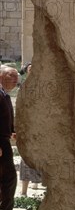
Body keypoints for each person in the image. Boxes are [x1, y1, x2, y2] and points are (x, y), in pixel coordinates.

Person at [17, 63, 42, 196]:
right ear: (26, 71)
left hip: (41, 125)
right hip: (28, 125)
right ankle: (24, 191)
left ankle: (37, 182)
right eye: (30, 68)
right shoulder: (24, 87)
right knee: (25, 157)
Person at [0, 65, 20, 210]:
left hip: (4, 140)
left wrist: (12, 130)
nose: (15, 80)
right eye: (11, 76)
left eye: (16, 77)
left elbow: (5, 116)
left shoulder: (4, 95)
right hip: (0, 143)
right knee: (10, 178)